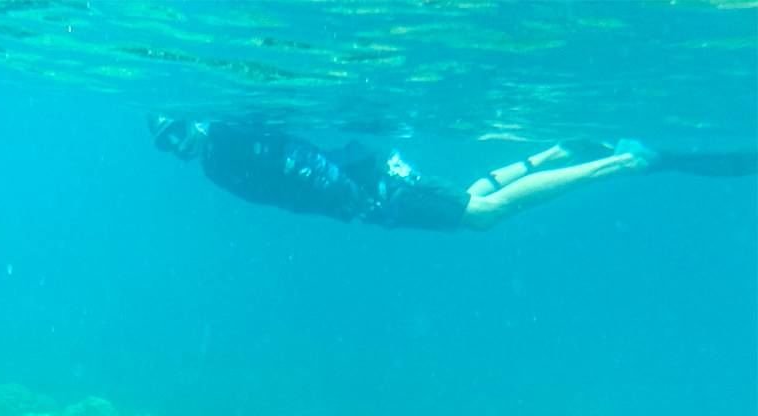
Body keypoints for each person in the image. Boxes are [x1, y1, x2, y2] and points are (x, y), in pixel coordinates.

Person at [147, 115, 757, 231]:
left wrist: (350, 198)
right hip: (366, 173)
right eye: (165, 143)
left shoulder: (226, 142)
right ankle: (551, 154)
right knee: (465, 197)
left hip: (365, 188)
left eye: (176, 130)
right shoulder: (218, 153)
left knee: (481, 217)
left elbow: (297, 165)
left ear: (191, 119)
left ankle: (619, 164)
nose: (177, 145)